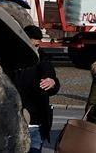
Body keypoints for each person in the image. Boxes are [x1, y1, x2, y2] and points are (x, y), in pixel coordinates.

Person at [12, 24, 60, 152]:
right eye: (31, 45)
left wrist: (53, 82)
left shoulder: (44, 61)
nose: (34, 49)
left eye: (37, 46)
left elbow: (54, 87)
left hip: (37, 125)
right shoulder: (13, 61)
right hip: (17, 124)